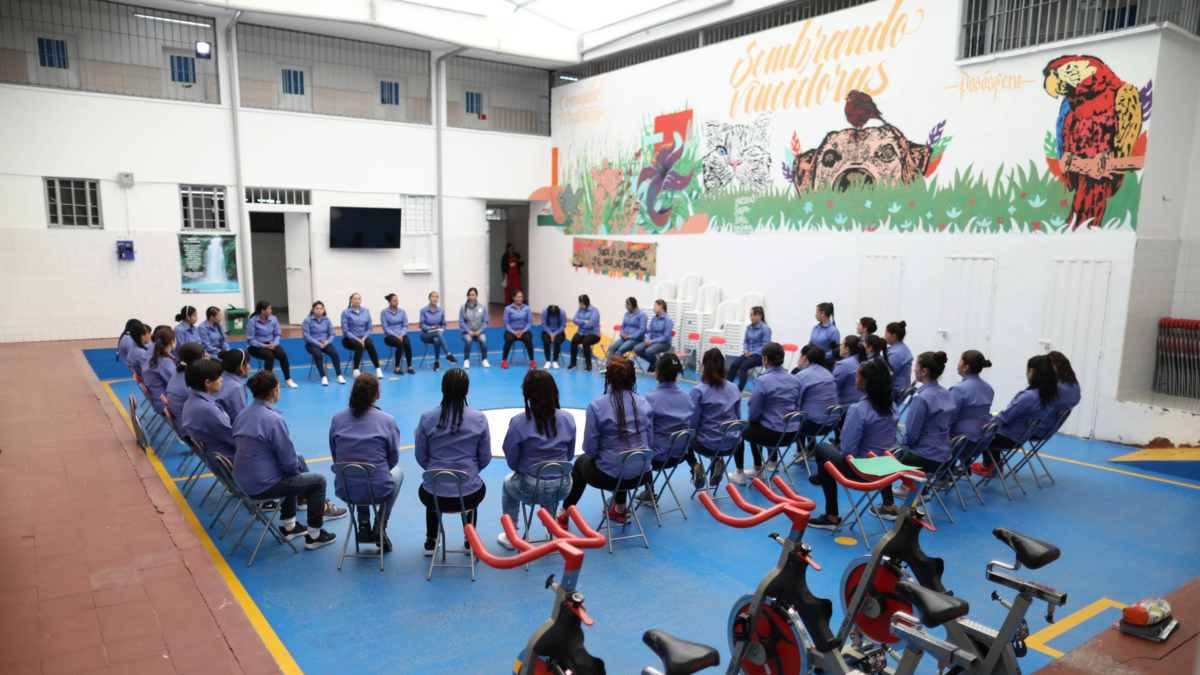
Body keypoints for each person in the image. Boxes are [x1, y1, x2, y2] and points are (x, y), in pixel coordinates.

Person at [232, 371, 346, 549]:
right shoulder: (273, 419)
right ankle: (315, 536)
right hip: (262, 486)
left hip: (242, 481)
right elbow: (289, 463)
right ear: (274, 391)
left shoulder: (243, 414)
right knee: (317, 480)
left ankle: (290, 526)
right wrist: (294, 469)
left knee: (296, 460)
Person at [560, 356, 653, 525]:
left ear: (608, 378)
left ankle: (564, 513)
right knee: (625, 457)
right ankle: (620, 509)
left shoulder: (597, 406)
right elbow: (650, 441)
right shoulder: (644, 403)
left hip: (609, 477)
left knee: (581, 463)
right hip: (642, 475)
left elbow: (590, 448)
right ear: (632, 378)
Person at [807, 359, 898, 529]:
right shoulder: (892, 406)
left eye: (856, 376)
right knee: (825, 465)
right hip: (885, 470)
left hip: (861, 472)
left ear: (864, 383)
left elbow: (847, 451)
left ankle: (831, 515)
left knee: (821, 449)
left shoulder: (858, 409)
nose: (855, 379)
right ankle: (826, 496)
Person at [873, 352, 956, 521]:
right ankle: (920, 489)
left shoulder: (921, 398)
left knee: (885, 457)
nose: (914, 370)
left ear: (924, 371)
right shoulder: (946, 393)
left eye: (916, 366)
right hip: (945, 456)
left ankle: (887, 506)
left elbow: (911, 434)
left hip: (926, 457)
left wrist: (899, 449)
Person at [498, 370, 576, 549]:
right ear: (554, 391)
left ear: (527, 393)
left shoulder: (518, 421)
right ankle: (550, 528)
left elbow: (511, 458)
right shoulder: (568, 418)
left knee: (508, 483)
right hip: (562, 487)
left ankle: (511, 535)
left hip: (529, 487)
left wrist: (525, 468)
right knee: (552, 478)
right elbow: (569, 455)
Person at [415, 369, 489, 554]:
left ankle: (431, 540)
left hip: (434, 496)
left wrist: (435, 470)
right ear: (467, 391)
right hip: (468, 496)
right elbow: (485, 457)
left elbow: (421, 455)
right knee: (474, 487)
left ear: (442, 389)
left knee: (432, 485)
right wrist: (470, 471)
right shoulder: (479, 418)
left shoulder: (427, 417)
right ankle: (470, 540)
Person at [329, 374, 403, 552]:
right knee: (397, 473)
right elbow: (393, 458)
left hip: (347, 489)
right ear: (377, 395)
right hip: (378, 489)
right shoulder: (387, 420)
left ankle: (363, 524)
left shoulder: (337, 418)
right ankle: (380, 524)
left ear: (352, 392)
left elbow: (335, 455)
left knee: (357, 472)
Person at [972, 356, 1058, 476]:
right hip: (1020, 435)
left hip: (1009, 437)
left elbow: (1005, 417)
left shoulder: (1029, 396)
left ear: (1031, 371)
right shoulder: (1049, 396)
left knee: (977, 430)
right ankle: (994, 463)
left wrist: (986, 422)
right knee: (991, 424)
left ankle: (987, 465)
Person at [729, 343, 800, 485]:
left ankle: (742, 472)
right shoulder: (795, 379)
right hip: (792, 434)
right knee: (759, 424)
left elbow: (753, 412)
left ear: (765, 359)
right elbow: (798, 407)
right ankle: (766, 463)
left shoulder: (763, 381)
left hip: (772, 435)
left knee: (744, 427)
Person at [638, 353, 694, 503]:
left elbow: (643, 431)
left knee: (639, 446)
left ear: (657, 373)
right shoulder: (687, 397)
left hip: (658, 458)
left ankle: (647, 493)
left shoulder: (650, 398)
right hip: (681, 454)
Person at [683, 348, 743, 489]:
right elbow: (738, 419)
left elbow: (693, 424)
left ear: (703, 367)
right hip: (732, 445)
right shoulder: (734, 388)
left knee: (685, 436)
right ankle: (717, 461)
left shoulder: (698, 390)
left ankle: (694, 465)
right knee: (720, 432)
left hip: (708, 445)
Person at [181, 358, 236, 461]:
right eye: (219, 376)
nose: (221, 379)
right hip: (230, 458)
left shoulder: (191, 401)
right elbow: (233, 439)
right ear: (208, 383)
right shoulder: (208, 410)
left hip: (213, 456)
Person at [246, 301, 297, 389]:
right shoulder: (252, 321)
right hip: (256, 346)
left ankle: (288, 379)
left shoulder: (273, 319)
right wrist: (264, 346)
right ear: (263, 311)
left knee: (283, 355)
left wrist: (274, 343)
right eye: (269, 309)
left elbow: (278, 334)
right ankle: (267, 382)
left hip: (271, 343)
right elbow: (251, 339)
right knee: (270, 356)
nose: (271, 310)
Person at [948, 351, 994, 441]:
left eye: (960, 361)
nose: (957, 364)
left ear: (965, 367)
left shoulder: (959, 389)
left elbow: (948, 418)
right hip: (982, 439)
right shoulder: (988, 387)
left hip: (961, 441)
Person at [727, 306, 772, 392]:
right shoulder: (749, 327)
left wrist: (753, 353)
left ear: (760, 316)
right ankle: (726, 387)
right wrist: (746, 350)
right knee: (734, 365)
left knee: (743, 366)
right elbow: (746, 341)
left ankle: (739, 391)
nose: (752, 317)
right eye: (751, 315)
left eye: (754, 315)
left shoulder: (765, 328)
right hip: (748, 354)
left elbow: (765, 345)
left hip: (759, 356)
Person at [794, 345, 839, 429]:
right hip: (831, 424)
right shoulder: (828, 373)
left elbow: (793, 401)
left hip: (812, 424)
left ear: (804, 358)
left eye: (799, 356)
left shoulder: (802, 376)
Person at [302, 301, 344, 386]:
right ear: (313, 310)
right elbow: (306, 336)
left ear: (323, 310)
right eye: (317, 308)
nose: (319, 310)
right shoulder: (307, 320)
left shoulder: (326, 320)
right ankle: (323, 377)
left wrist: (328, 341)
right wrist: (318, 344)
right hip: (312, 344)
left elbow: (332, 333)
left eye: (321, 308)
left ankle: (339, 375)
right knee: (318, 355)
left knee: (335, 354)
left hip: (325, 343)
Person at [341, 293, 383, 379]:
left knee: (370, 344)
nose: (357, 301)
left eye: (358, 299)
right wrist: (357, 339)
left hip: (363, 338)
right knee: (358, 345)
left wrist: (363, 338)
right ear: (351, 300)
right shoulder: (346, 312)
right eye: (355, 299)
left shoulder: (366, 311)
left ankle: (378, 369)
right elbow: (345, 331)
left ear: (361, 300)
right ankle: (356, 371)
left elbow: (369, 328)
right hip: (349, 339)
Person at [166, 342, 206, 424]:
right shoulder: (191, 381)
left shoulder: (178, 374)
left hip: (183, 420)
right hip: (190, 426)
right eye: (203, 356)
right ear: (200, 360)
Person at [1043, 351, 1081, 434]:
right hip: (1049, 429)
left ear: (1055, 366)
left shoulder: (1057, 387)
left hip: (1037, 427)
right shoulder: (1075, 387)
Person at [141, 326, 178, 414]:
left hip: (158, 401)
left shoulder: (153, 358)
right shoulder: (165, 362)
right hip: (166, 405)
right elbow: (176, 384)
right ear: (172, 342)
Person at [419, 291, 456, 371]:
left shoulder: (441, 311)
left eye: (436, 297)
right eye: (433, 297)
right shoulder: (423, 310)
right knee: (437, 334)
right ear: (429, 298)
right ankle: (448, 354)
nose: (435, 298)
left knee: (436, 339)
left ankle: (436, 362)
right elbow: (422, 325)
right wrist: (431, 328)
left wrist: (441, 331)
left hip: (437, 334)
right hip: (425, 335)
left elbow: (444, 325)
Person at [633, 300, 673, 373]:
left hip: (664, 343)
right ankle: (655, 363)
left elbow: (666, 337)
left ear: (661, 306)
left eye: (655, 306)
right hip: (651, 341)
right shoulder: (654, 318)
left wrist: (652, 341)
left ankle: (656, 364)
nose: (653, 308)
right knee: (637, 349)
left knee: (648, 351)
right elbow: (650, 331)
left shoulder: (668, 320)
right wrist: (647, 339)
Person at [381, 294, 415, 375]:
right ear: (389, 302)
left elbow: (405, 325)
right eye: (394, 301)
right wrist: (395, 335)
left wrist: (402, 334)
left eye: (397, 300)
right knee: (399, 344)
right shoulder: (384, 312)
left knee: (407, 343)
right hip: (389, 336)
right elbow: (385, 327)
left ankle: (409, 366)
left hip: (401, 334)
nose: (396, 302)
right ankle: (397, 368)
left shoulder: (402, 312)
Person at [502, 290, 536, 369]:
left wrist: (524, 330)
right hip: (511, 331)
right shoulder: (508, 309)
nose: (520, 299)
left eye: (521, 297)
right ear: (513, 298)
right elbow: (506, 323)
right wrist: (513, 332)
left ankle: (532, 360)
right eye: (518, 297)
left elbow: (529, 322)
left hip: (524, 331)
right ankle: (504, 360)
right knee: (509, 340)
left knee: (528, 339)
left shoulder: (527, 308)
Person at [217, 348, 251, 423]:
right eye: (248, 363)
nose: (249, 366)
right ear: (242, 368)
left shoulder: (218, 378)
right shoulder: (236, 388)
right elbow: (240, 419)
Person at [567, 295, 601, 372]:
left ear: (583, 303)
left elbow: (591, 324)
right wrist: (584, 321)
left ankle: (588, 365)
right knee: (574, 340)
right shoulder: (580, 309)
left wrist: (581, 322)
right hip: (581, 332)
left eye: (580, 303)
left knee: (585, 342)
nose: (579, 304)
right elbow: (574, 320)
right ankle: (573, 363)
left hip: (593, 334)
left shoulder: (594, 311)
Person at [458, 288, 490, 369]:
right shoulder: (463, 307)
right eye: (470, 295)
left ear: (476, 296)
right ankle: (466, 360)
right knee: (468, 340)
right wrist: (468, 331)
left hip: (479, 332)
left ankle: (484, 359)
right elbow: (461, 322)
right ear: (467, 296)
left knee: (483, 340)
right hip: (467, 333)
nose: (471, 297)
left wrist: (480, 331)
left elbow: (485, 321)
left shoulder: (482, 307)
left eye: (473, 295)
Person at [833, 336, 868, 405]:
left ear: (847, 349)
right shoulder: (865, 361)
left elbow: (832, 387)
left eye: (841, 345)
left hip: (847, 406)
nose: (839, 347)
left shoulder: (843, 364)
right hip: (863, 403)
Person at [885, 321, 913, 400]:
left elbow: (886, 376)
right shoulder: (902, 348)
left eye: (886, 334)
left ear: (893, 336)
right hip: (900, 391)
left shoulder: (895, 354)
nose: (884, 336)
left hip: (895, 394)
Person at [810, 302, 840, 368]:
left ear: (823, 313)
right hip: (813, 363)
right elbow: (810, 344)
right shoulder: (815, 328)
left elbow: (834, 352)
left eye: (817, 312)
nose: (815, 315)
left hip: (826, 365)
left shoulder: (833, 331)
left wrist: (819, 357)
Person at [540, 304, 566, 370]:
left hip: (559, 332)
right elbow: (544, 324)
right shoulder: (545, 311)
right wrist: (551, 333)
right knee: (546, 341)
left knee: (557, 342)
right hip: (547, 331)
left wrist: (555, 333)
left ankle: (555, 361)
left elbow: (563, 325)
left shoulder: (562, 312)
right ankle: (548, 361)